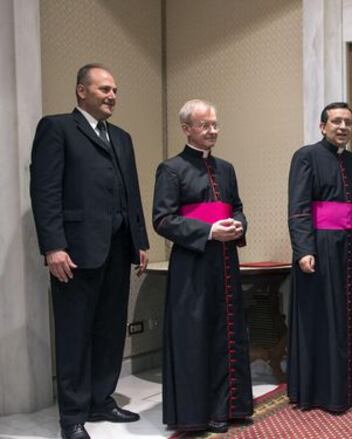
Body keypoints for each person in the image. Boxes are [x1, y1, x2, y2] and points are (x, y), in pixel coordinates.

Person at [29, 63, 149, 439]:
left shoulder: (123, 137)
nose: (112, 96)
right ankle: (73, 417)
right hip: (75, 252)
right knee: (74, 334)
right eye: (104, 89)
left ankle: (101, 400)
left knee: (110, 331)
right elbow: (44, 191)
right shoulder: (57, 128)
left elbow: (132, 192)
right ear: (82, 91)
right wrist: (53, 247)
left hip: (117, 249)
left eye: (114, 90)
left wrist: (140, 239)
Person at [152, 99, 253, 433]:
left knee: (228, 332)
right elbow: (163, 220)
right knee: (196, 337)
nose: (213, 130)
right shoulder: (171, 168)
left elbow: (236, 207)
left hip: (225, 262)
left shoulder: (226, 168)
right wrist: (209, 230)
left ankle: (230, 408)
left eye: (215, 124)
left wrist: (240, 225)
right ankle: (199, 413)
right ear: (186, 129)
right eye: (205, 125)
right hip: (192, 267)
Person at [287, 102, 352, 412]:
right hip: (320, 249)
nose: (343, 127)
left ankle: (350, 389)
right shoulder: (306, 156)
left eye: (348, 121)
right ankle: (321, 392)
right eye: (336, 121)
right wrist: (303, 250)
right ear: (322, 126)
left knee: (348, 317)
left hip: (351, 247)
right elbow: (298, 208)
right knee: (323, 319)